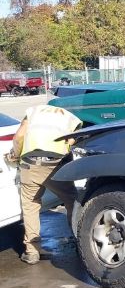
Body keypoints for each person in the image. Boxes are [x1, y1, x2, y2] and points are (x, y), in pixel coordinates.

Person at [6, 104, 82, 264]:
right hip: (57, 164)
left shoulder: (33, 112)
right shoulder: (69, 117)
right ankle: (81, 242)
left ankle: (32, 252)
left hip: (30, 164)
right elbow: (71, 141)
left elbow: (19, 136)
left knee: (30, 206)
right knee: (71, 201)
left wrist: (15, 155)